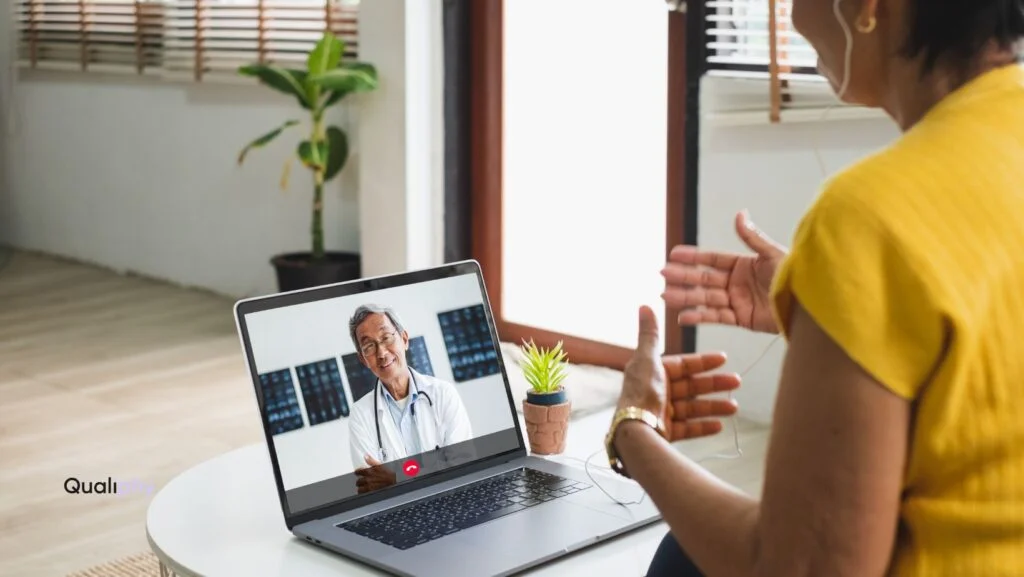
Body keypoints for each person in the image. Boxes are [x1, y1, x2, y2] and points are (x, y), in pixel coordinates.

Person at [605, 0, 1024, 575]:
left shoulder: (871, 214)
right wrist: (836, 301)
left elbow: (797, 568)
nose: (795, 21)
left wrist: (634, 430)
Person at [347, 304, 473, 484]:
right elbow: (370, 486)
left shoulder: (443, 394)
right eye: (369, 346)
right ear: (363, 359)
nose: (381, 353)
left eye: (386, 338)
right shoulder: (360, 415)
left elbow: (463, 465)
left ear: (404, 339)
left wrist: (397, 477)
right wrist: (434, 470)